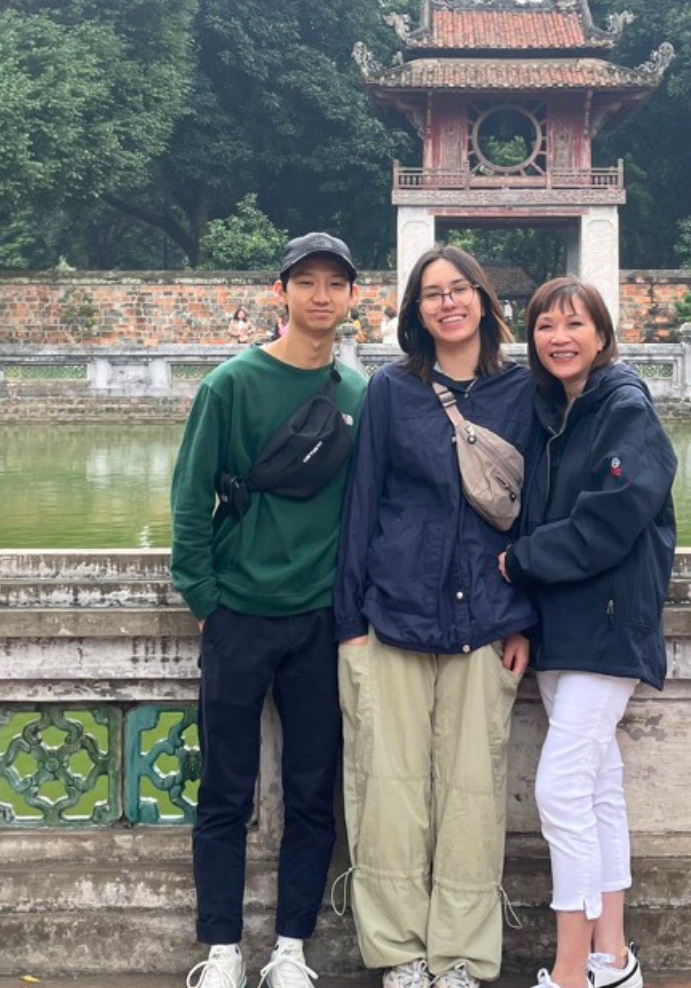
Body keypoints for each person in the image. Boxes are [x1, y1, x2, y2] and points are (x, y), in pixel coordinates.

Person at [334, 245, 537, 988]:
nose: (447, 303)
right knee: (386, 789)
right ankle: (398, 951)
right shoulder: (392, 392)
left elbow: (536, 519)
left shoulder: (525, 393)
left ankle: (461, 953)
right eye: (430, 295)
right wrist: (349, 622)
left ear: (484, 299)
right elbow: (363, 504)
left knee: (473, 794)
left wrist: (526, 622)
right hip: (393, 612)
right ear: (415, 313)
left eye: (459, 290)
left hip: (487, 620)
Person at [170, 232, 368, 988]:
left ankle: (291, 948)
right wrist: (205, 597)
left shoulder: (359, 396)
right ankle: (221, 949)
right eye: (306, 282)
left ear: (353, 299)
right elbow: (190, 496)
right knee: (225, 786)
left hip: (320, 619)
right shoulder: (231, 384)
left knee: (314, 791)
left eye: (335, 284)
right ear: (278, 293)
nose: (321, 296)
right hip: (240, 615)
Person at [499, 277, 677, 988]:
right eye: (545, 326)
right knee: (599, 787)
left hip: (608, 625)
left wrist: (520, 561)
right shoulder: (553, 415)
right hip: (560, 626)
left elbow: (611, 520)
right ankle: (614, 959)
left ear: (602, 335)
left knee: (561, 791)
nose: (559, 338)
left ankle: (570, 972)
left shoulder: (625, 407)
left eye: (575, 324)